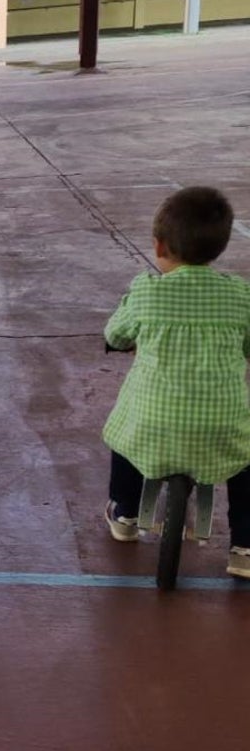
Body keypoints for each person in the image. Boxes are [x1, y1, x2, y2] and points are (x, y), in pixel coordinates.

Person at [101, 185, 250, 578]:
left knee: (125, 434)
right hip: (222, 424)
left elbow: (116, 334)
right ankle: (244, 547)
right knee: (246, 457)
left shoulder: (146, 291)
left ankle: (125, 514)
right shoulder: (240, 295)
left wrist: (120, 342)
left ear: (159, 246)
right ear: (218, 248)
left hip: (153, 422)